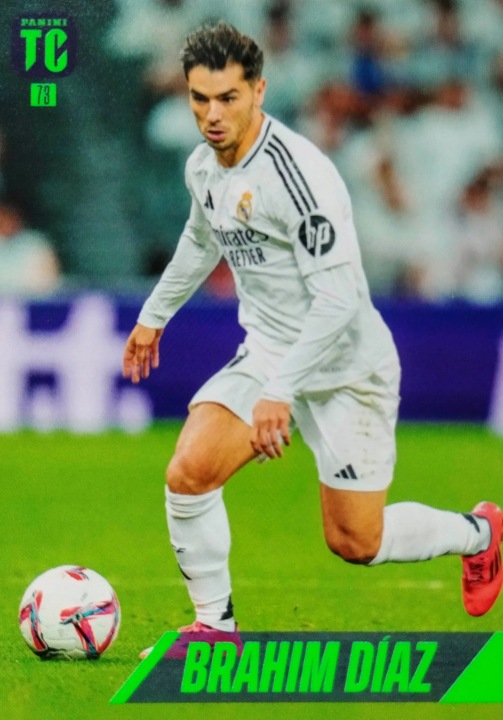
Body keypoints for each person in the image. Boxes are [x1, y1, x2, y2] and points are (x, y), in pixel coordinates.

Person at [123, 23, 503, 658]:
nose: (212, 115)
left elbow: (338, 299)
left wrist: (281, 391)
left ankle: (480, 533)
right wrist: (153, 315)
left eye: (227, 98)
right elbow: (200, 238)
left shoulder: (298, 176)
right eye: (199, 99)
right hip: (270, 352)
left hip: (347, 364)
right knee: (189, 473)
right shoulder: (203, 167)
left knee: (356, 541)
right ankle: (214, 628)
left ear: (259, 91)